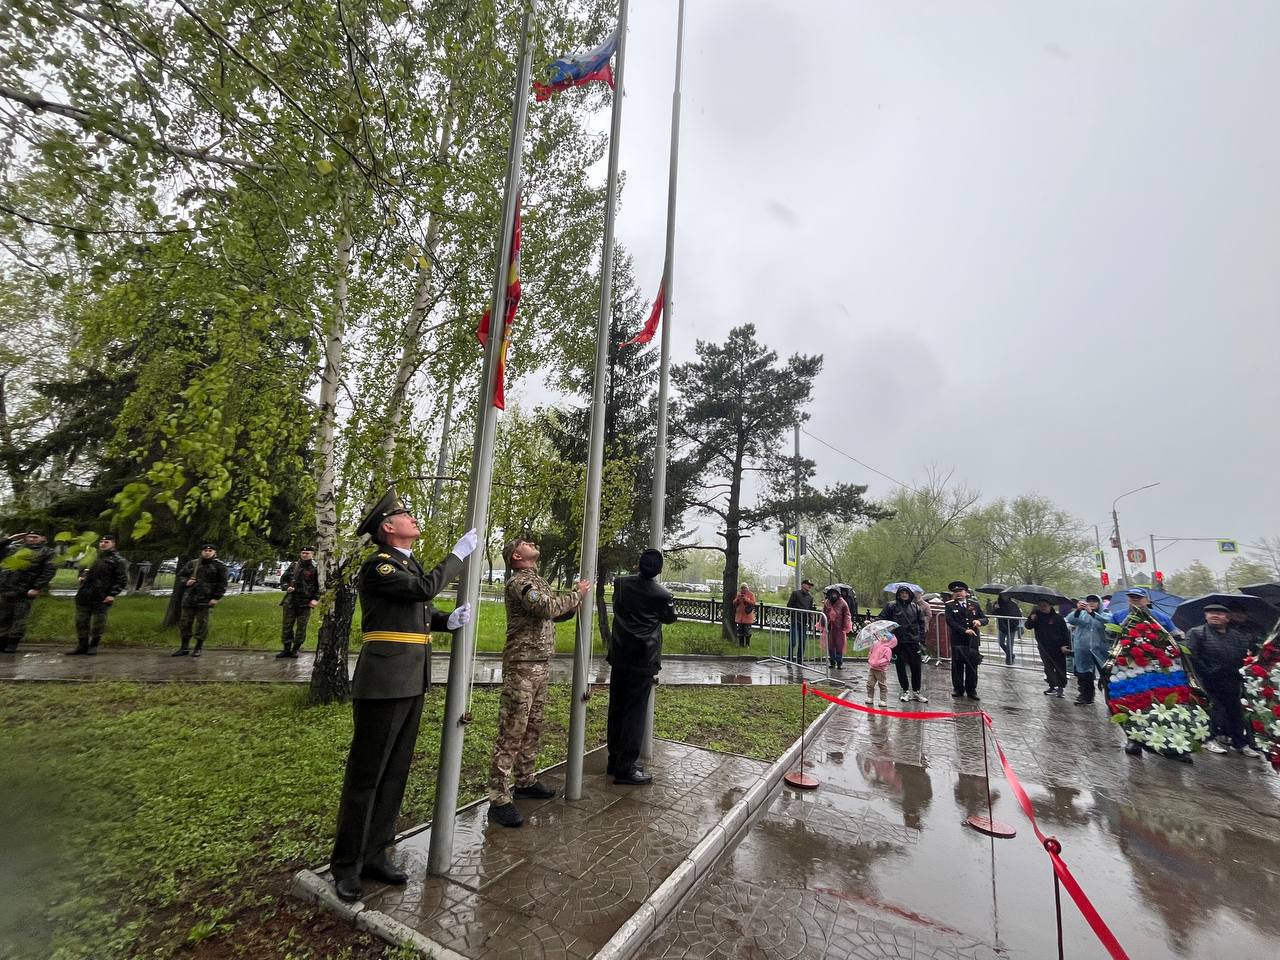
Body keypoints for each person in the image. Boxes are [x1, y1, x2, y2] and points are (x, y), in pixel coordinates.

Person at [329, 487, 476, 903]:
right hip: (384, 682)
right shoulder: (380, 565)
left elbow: (419, 611)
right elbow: (422, 591)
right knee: (366, 776)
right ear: (388, 528)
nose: (413, 519)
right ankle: (346, 865)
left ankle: (376, 853)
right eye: (406, 515)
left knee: (394, 773)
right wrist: (457, 555)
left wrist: (448, 621)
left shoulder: (406, 565)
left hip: (411, 680)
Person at [488, 537, 590, 828]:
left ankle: (525, 780)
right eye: (526, 542)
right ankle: (498, 797)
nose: (533, 543)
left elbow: (555, 614)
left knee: (533, 726)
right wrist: (576, 593)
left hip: (539, 664)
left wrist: (573, 604)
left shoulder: (536, 579)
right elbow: (545, 608)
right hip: (522, 665)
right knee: (512, 730)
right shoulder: (519, 583)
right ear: (517, 555)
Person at [607, 548, 677, 785]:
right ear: (659, 570)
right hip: (643, 659)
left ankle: (614, 759)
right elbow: (669, 618)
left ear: (638, 565)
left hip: (619, 654)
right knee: (635, 714)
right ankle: (625, 768)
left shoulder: (621, 584)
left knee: (616, 707)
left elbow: (617, 607)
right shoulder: (662, 595)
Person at [1185, 604, 1262, 758]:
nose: (1215, 616)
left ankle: (1240, 742)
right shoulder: (1197, 633)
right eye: (1211, 613)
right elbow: (1191, 655)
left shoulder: (1237, 636)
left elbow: (1243, 655)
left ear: (1227, 617)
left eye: (1219, 613)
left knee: (1235, 711)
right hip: (1206, 680)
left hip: (1232, 679)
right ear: (1206, 616)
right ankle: (1209, 738)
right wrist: (1207, 671)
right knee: (1212, 709)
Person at [67, 534, 128, 655]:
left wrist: (112, 594)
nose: (103, 544)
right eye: (101, 542)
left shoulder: (117, 560)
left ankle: (93, 645)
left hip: (102, 595)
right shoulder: (92, 557)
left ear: (113, 544)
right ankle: (82, 645)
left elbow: (121, 579)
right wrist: (81, 576)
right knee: (81, 621)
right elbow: (82, 569)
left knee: (98, 623)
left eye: (107, 542)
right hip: (85, 594)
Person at [0, 531, 56, 653]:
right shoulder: (15, 548)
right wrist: (9, 539)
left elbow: (48, 571)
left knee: (19, 618)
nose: (31, 539)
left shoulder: (46, 552)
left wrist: (37, 587)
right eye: (29, 537)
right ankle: (2, 642)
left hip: (24, 590)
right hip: (6, 588)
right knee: (3, 617)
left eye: (35, 537)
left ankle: (12, 643)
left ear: (43, 538)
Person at [173, 544, 228, 657]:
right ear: (201, 552)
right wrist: (186, 582)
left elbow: (222, 583)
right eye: (205, 550)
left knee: (202, 624)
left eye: (210, 550)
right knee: (185, 623)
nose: (207, 552)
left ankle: (198, 648)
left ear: (214, 552)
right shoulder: (193, 564)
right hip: (189, 598)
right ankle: (184, 647)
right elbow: (180, 576)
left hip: (206, 600)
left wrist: (216, 598)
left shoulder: (219, 566)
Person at [879, 585, 928, 702]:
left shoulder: (916, 607)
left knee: (916, 667)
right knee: (900, 667)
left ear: (910, 594)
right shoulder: (892, 606)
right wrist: (872, 622)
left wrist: (922, 640)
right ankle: (905, 690)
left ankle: (916, 691)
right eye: (902, 593)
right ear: (898, 594)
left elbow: (922, 624)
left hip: (913, 641)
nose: (904, 594)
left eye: (906, 592)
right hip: (898, 642)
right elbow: (882, 618)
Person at [945, 581, 988, 700]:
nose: (958, 594)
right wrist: (964, 630)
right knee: (957, 664)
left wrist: (979, 621)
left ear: (966, 592)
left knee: (972, 665)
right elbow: (950, 622)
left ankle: (971, 689)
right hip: (958, 639)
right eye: (955, 592)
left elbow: (984, 618)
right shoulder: (950, 605)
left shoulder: (974, 604)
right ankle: (958, 688)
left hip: (972, 640)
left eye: (960, 591)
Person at [1065, 595, 1110, 705]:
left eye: (1094, 601)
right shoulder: (1082, 614)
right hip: (1082, 649)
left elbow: (1106, 623)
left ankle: (1111, 699)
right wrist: (1078, 610)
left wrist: (1093, 614)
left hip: (1100, 650)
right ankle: (1086, 697)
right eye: (1089, 601)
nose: (1092, 603)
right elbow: (1071, 620)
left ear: (1099, 603)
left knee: (1106, 676)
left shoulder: (1105, 615)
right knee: (1083, 674)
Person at [277, 546, 320, 658]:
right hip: (291, 600)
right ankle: (286, 649)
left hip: (305, 602)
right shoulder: (294, 565)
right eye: (303, 553)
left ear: (313, 554)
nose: (304, 555)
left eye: (307, 553)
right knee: (287, 626)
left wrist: (315, 599)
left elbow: (319, 586)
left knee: (301, 627)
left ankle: (295, 649)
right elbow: (283, 579)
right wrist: (287, 587)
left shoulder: (316, 568)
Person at [1024, 599, 1071, 697]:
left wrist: (1065, 645)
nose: (1042, 608)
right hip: (1043, 647)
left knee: (1060, 667)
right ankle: (1052, 686)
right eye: (1040, 606)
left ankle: (1060, 687)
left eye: (1044, 606)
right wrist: (1031, 619)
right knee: (1048, 667)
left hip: (1058, 647)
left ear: (1050, 606)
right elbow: (1028, 626)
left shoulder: (1058, 618)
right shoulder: (1036, 617)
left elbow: (1065, 633)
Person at [1110, 587, 1176, 633]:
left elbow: (1174, 635)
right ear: (1128, 599)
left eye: (1139, 597)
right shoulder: (1117, 616)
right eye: (1132, 597)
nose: (1135, 599)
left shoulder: (1162, 617)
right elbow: (1109, 634)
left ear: (1147, 600)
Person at [986, 593, 1022, 665]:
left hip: (1012, 627)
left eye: (1006, 595)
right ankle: (1011, 655)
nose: (1005, 597)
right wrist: (994, 608)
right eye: (1003, 596)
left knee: (1009, 644)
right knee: (1001, 642)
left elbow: (1018, 615)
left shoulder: (1013, 604)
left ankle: (1009, 660)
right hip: (1002, 627)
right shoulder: (997, 603)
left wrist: (1016, 624)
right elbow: (992, 614)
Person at [822, 587, 852, 670]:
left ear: (838, 594)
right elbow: (823, 612)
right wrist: (822, 623)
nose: (833, 595)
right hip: (829, 626)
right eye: (831, 593)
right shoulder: (827, 602)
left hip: (839, 627)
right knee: (830, 645)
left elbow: (847, 614)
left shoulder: (843, 603)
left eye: (834, 593)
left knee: (839, 645)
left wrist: (846, 624)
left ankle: (839, 662)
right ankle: (832, 662)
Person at [786, 578, 816, 662]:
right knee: (793, 641)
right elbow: (789, 605)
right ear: (803, 585)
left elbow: (809, 609)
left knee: (802, 642)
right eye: (808, 584)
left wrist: (811, 616)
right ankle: (790, 659)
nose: (810, 586)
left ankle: (800, 661)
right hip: (795, 621)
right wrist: (793, 615)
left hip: (804, 623)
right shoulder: (795, 593)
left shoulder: (810, 597)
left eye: (811, 586)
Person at [866, 629, 896, 707]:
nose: (883, 637)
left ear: (889, 640)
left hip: (880, 670)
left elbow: (887, 659)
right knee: (870, 684)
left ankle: (883, 700)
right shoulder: (876, 644)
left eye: (886, 637)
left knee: (882, 685)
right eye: (883, 635)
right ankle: (870, 697)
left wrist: (878, 663)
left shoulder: (887, 649)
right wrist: (870, 655)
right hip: (872, 668)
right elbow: (872, 651)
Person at [732, 583, 757, 647]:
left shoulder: (751, 594)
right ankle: (741, 644)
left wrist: (745, 598)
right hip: (740, 616)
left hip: (747, 615)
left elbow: (753, 603)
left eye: (745, 588)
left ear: (747, 588)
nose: (743, 589)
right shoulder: (739, 594)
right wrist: (737, 599)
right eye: (742, 588)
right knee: (740, 630)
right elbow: (734, 602)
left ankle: (747, 644)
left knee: (747, 630)